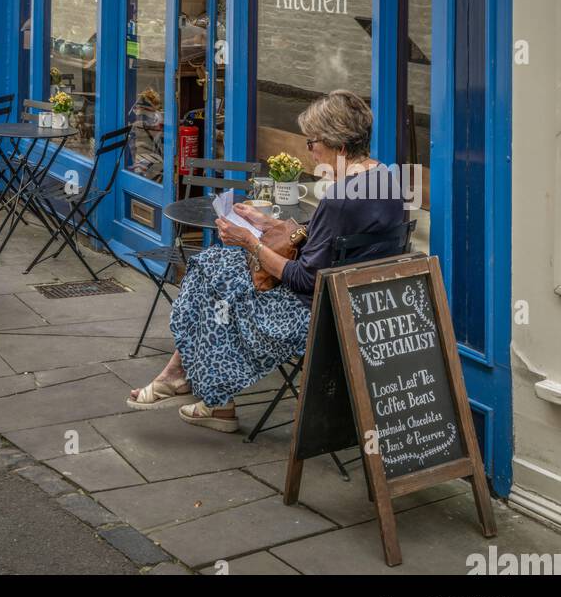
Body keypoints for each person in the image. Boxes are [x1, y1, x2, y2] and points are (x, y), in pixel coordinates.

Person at [128, 90, 409, 431]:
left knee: (212, 275)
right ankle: (192, 385)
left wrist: (249, 242)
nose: (311, 151)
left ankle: (195, 387)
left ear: (337, 143)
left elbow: (305, 279)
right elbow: (326, 239)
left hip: (312, 315)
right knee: (216, 268)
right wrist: (271, 225)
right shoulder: (386, 181)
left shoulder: (339, 199)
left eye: (312, 142)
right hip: (361, 304)